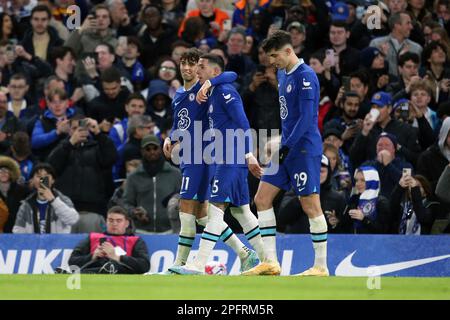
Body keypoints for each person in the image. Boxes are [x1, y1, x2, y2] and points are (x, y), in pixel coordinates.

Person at [162, 48, 261, 273]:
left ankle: (180, 264)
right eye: (184, 63)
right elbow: (181, 124)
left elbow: (231, 75)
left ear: (199, 67)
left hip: (204, 156)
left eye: (193, 64)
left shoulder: (206, 88)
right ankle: (246, 253)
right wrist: (170, 137)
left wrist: (209, 82)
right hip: (188, 156)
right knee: (202, 215)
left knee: (187, 210)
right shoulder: (178, 95)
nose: (188, 68)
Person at [242, 30, 328, 276]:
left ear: (289, 51)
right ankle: (270, 262)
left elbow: (306, 119)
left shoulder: (306, 77)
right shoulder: (282, 74)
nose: (272, 61)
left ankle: (321, 266)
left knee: (310, 205)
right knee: (261, 199)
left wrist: (286, 147)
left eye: (275, 55)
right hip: (286, 148)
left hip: (302, 150)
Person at [47, 115, 117, 216]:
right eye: (74, 128)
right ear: (69, 130)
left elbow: (111, 158)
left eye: (82, 128)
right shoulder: (62, 146)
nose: (78, 132)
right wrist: (70, 143)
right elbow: (50, 167)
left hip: (93, 206)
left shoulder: (98, 146)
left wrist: (98, 133)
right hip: (65, 205)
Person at [124, 134, 181, 233]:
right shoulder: (133, 177)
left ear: (160, 149)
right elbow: (126, 203)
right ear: (142, 151)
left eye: (155, 148)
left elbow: (184, 200)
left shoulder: (175, 174)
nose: (152, 152)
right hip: (141, 232)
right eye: (148, 149)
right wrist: (134, 212)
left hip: (170, 231)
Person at [68, 206, 150, 274]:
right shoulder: (92, 237)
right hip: (94, 271)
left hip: (120, 273)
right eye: (111, 220)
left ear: (126, 223)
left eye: (119, 221)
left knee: (113, 266)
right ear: (106, 222)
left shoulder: (135, 240)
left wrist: (118, 257)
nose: (114, 224)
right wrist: (92, 256)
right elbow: (72, 261)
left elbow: (145, 266)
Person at [13, 162, 79, 234]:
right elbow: (18, 231)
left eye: (46, 176)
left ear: (53, 180)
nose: (42, 179)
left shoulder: (63, 200)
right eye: (38, 176)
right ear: (32, 180)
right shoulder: (26, 205)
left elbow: (73, 220)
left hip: (57, 245)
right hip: (34, 244)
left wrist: (53, 200)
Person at [340, 166, 391, 234]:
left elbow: (383, 230)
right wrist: (337, 221)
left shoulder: (381, 202)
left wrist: (364, 219)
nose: (357, 184)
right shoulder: (354, 199)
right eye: (356, 180)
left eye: (363, 180)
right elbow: (346, 226)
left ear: (372, 181)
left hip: (374, 243)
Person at [0, 155, 29, 233]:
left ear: (11, 173)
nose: (3, 173)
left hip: (17, 230)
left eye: (6, 171)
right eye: (0, 171)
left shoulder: (21, 189)